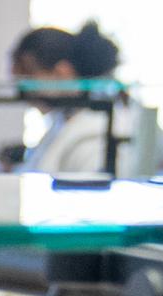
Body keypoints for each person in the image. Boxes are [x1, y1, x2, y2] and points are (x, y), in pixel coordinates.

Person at [8, 20, 137, 179]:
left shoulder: (94, 131)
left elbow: (91, 194)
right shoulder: (64, 121)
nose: (24, 92)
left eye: (28, 76)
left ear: (62, 73)